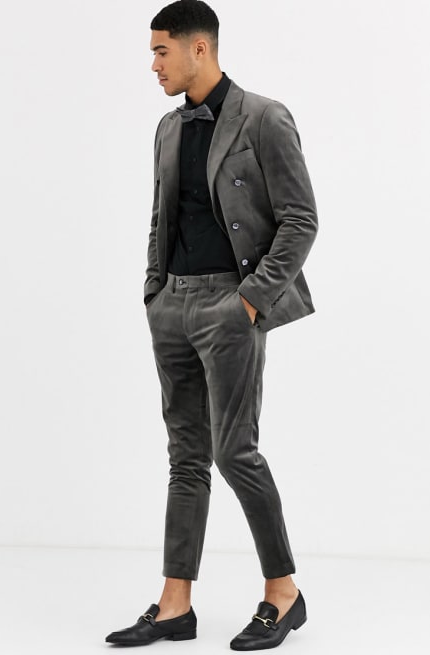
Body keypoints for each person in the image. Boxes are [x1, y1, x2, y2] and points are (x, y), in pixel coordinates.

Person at [105, 0, 318, 650]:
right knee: (186, 457)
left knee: (235, 452)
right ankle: (175, 606)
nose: (153, 64)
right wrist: (155, 290)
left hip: (231, 304)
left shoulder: (264, 118)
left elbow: (300, 219)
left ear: (199, 48)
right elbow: (159, 217)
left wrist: (249, 301)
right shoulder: (168, 128)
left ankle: (283, 591)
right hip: (172, 304)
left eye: (160, 51)